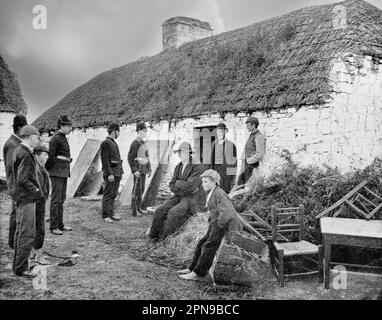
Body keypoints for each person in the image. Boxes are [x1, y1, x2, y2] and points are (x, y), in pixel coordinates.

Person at [178, 169, 241, 281]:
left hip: (223, 224)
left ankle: (198, 273)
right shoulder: (212, 192)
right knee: (201, 243)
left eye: (206, 182)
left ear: (214, 182)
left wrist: (218, 224)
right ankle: (192, 268)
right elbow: (215, 209)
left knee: (209, 246)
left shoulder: (219, 193)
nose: (203, 184)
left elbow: (228, 212)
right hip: (215, 222)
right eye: (202, 182)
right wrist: (211, 219)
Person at [149, 141, 206, 241]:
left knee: (173, 212)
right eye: (179, 152)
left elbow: (191, 186)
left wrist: (178, 183)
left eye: (183, 152)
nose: (181, 154)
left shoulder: (198, 166)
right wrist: (181, 187)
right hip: (179, 195)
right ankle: (153, 237)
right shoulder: (178, 166)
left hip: (191, 198)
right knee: (159, 210)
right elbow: (171, 184)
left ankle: (164, 241)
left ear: (189, 153)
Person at [11, 125, 42, 278]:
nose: (38, 140)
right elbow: (23, 179)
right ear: (30, 137)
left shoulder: (18, 150)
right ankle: (21, 268)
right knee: (27, 234)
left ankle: (18, 266)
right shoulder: (24, 153)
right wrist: (36, 190)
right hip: (26, 199)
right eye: (37, 137)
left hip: (21, 198)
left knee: (20, 231)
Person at [2, 114, 27, 249]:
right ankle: (12, 241)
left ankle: (14, 241)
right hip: (16, 184)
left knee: (17, 212)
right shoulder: (12, 144)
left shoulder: (17, 142)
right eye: (25, 127)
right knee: (15, 213)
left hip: (18, 183)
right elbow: (13, 168)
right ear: (19, 128)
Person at [46, 115, 73, 235]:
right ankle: (53, 226)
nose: (70, 128)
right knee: (56, 200)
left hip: (63, 171)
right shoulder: (55, 139)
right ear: (61, 126)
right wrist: (49, 170)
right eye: (68, 126)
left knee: (61, 199)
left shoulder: (63, 138)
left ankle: (60, 224)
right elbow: (50, 157)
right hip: (56, 172)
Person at [100, 122, 124, 223]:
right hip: (111, 173)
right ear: (114, 131)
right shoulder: (105, 143)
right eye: (118, 131)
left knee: (113, 194)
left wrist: (120, 172)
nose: (119, 133)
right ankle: (106, 215)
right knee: (108, 194)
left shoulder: (113, 142)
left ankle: (111, 213)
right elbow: (104, 160)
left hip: (117, 173)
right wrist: (109, 173)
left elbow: (117, 159)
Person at [32, 145, 51, 265]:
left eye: (47, 154)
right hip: (38, 201)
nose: (47, 157)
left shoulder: (40, 167)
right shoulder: (36, 169)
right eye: (44, 154)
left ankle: (35, 253)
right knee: (39, 228)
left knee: (38, 227)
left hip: (40, 200)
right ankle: (38, 256)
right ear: (36, 155)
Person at [128, 122, 152, 216]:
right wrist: (134, 170)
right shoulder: (135, 143)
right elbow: (130, 158)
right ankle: (135, 210)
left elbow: (147, 157)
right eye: (143, 131)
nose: (145, 133)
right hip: (138, 170)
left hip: (143, 170)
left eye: (146, 131)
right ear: (138, 131)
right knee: (137, 190)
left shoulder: (143, 143)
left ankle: (139, 208)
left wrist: (149, 169)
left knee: (141, 189)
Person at [237, 117, 266, 185]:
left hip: (251, 166)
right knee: (240, 184)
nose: (246, 127)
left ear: (253, 125)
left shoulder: (259, 136)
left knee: (249, 186)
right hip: (245, 165)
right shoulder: (252, 135)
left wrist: (248, 161)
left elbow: (260, 154)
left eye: (248, 125)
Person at [211, 123, 237, 193]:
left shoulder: (231, 145)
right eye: (218, 131)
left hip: (226, 176)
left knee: (224, 193)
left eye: (222, 131)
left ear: (225, 132)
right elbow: (211, 161)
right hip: (215, 173)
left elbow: (233, 164)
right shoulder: (213, 144)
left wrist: (231, 180)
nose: (220, 133)